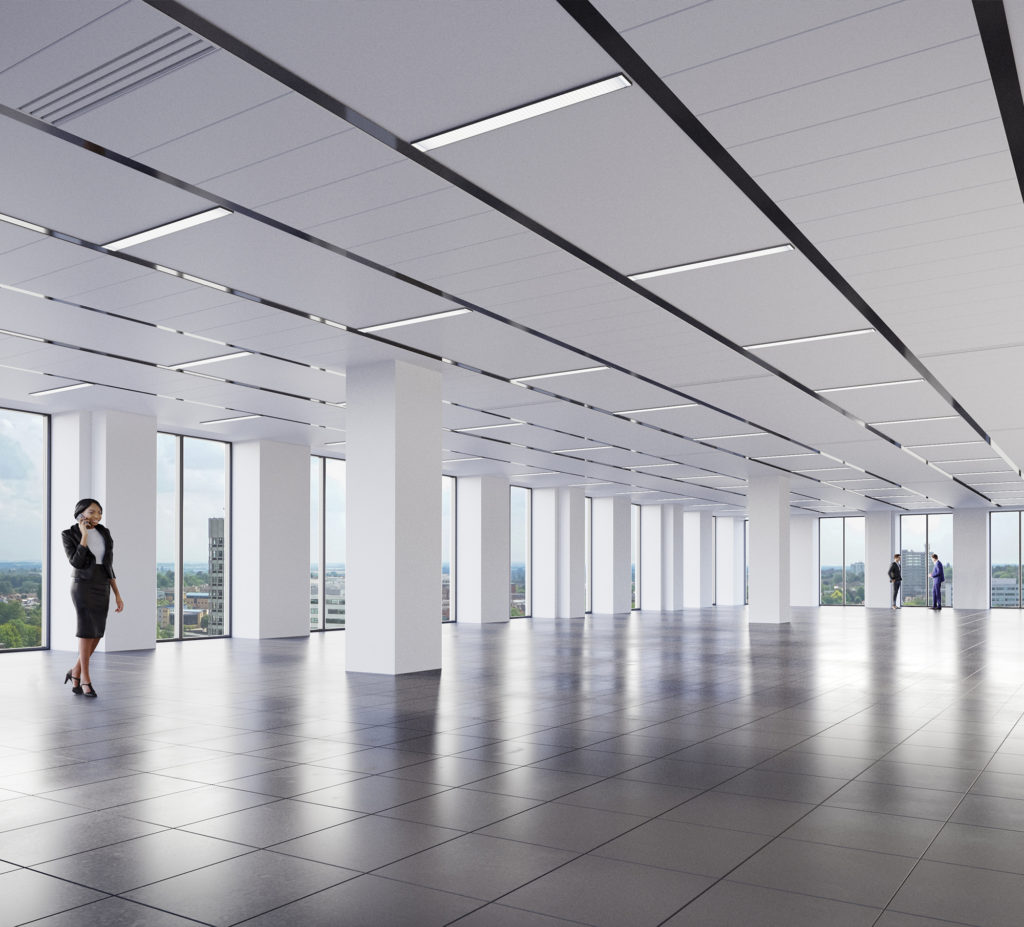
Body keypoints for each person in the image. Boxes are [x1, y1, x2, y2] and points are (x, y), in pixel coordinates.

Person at [60, 498, 124, 698]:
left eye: (99, 512)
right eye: (91, 512)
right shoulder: (69, 534)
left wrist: (117, 593)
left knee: (97, 632)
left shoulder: (104, 532)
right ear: (80, 513)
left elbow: (108, 565)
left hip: (102, 584)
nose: (96, 516)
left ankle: (75, 672)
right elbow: (76, 562)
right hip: (83, 585)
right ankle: (85, 680)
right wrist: (84, 536)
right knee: (87, 631)